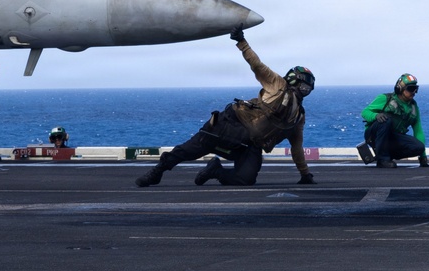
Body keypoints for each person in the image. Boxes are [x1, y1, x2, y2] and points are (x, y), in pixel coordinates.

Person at [135, 24, 316, 187]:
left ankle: (215, 170)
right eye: (303, 86)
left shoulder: (298, 116)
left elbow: (297, 147)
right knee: (190, 150)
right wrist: (241, 41)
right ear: (294, 80)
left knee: (246, 179)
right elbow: (256, 65)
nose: (305, 90)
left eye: (308, 88)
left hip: (250, 144)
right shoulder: (277, 84)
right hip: (230, 125)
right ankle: (157, 172)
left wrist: (305, 174)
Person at [358, 74, 429, 168]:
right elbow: (365, 112)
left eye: (416, 88)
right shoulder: (385, 99)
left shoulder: (413, 107)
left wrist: (423, 157)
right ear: (400, 88)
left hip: (393, 138)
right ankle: (382, 160)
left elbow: (418, 130)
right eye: (411, 89)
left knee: (418, 147)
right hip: (373, 135)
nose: (414, 92)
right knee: (386, 120)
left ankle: (386, 155)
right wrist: (376, 116)